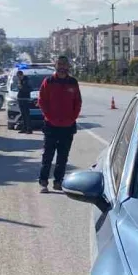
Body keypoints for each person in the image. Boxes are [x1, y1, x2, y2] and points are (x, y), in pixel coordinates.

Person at [37, 56, 82, 193]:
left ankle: (58, 181)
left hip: (67, 126)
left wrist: (72, 118)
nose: (62, 67)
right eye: (59, 64)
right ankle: (43, 181)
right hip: (51, 125)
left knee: (63, 157)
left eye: (64, 64)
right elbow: (42, 101)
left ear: (68, 66)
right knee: (48, 156)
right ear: (55, 65)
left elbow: (78, 102)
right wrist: (49, 117)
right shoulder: (48, 82)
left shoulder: (73, 82)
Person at [15, 70, 34, 134]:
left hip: (25, 99)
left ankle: (29, 129)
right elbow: (19, 89)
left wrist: (22, 87)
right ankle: (24, 128)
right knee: (23, 115)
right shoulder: (20, 81)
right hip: (20, 99)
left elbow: (31, 89)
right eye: (17, 76)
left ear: (21, 75)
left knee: (26, 114)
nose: (18, 78)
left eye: (19, 76)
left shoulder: (27, 80)